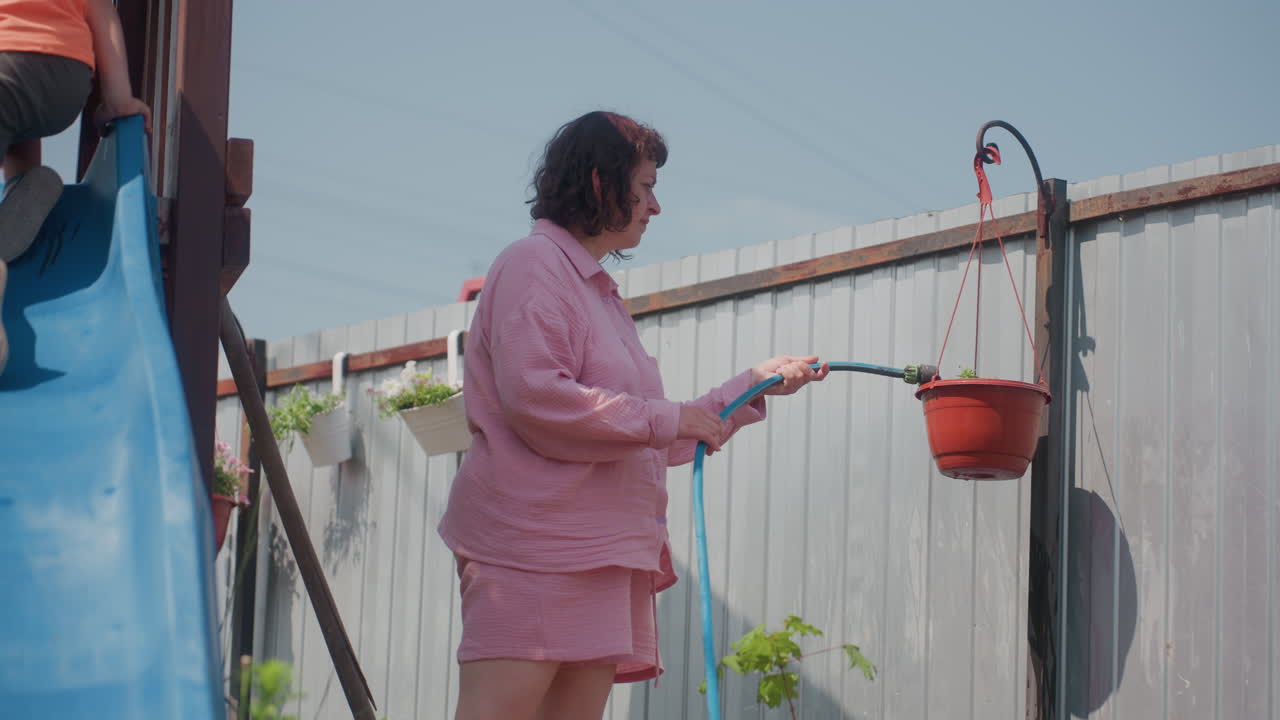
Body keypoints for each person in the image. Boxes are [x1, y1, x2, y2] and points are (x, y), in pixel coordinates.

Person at [437, 110, 831, 720]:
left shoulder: (592, 289)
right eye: (646, 187)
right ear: (601, 183)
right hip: (533, 548)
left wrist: (750, 387)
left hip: (601, 554)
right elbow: (539, 399)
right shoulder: (533, 264)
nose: (655, 206)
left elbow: (636, 431)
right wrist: (665, 420)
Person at [0, 0, 151, 374]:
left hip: (6, 55)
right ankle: (23, 185)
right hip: (67, 78)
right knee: (15, 114)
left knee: (9, 101)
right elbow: (104, 16)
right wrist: (117, 97)